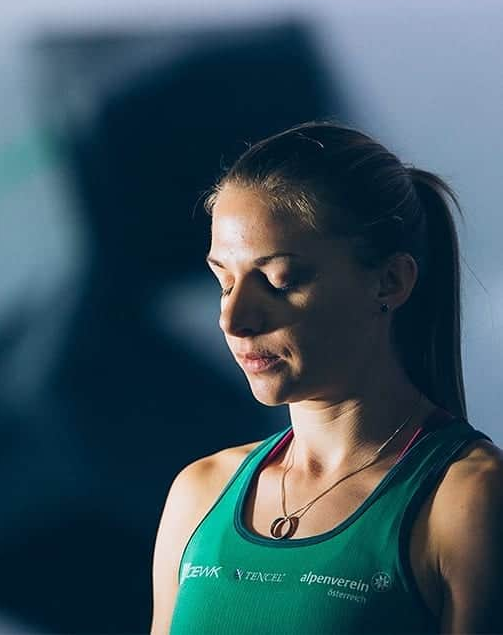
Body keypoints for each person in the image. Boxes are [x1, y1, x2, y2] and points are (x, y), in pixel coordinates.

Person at [150, 121, 503, 634]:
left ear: (391, 280)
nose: (233, 319)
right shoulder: (200, 493)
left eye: (278, 281)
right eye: (223, 281)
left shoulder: (468, 499)